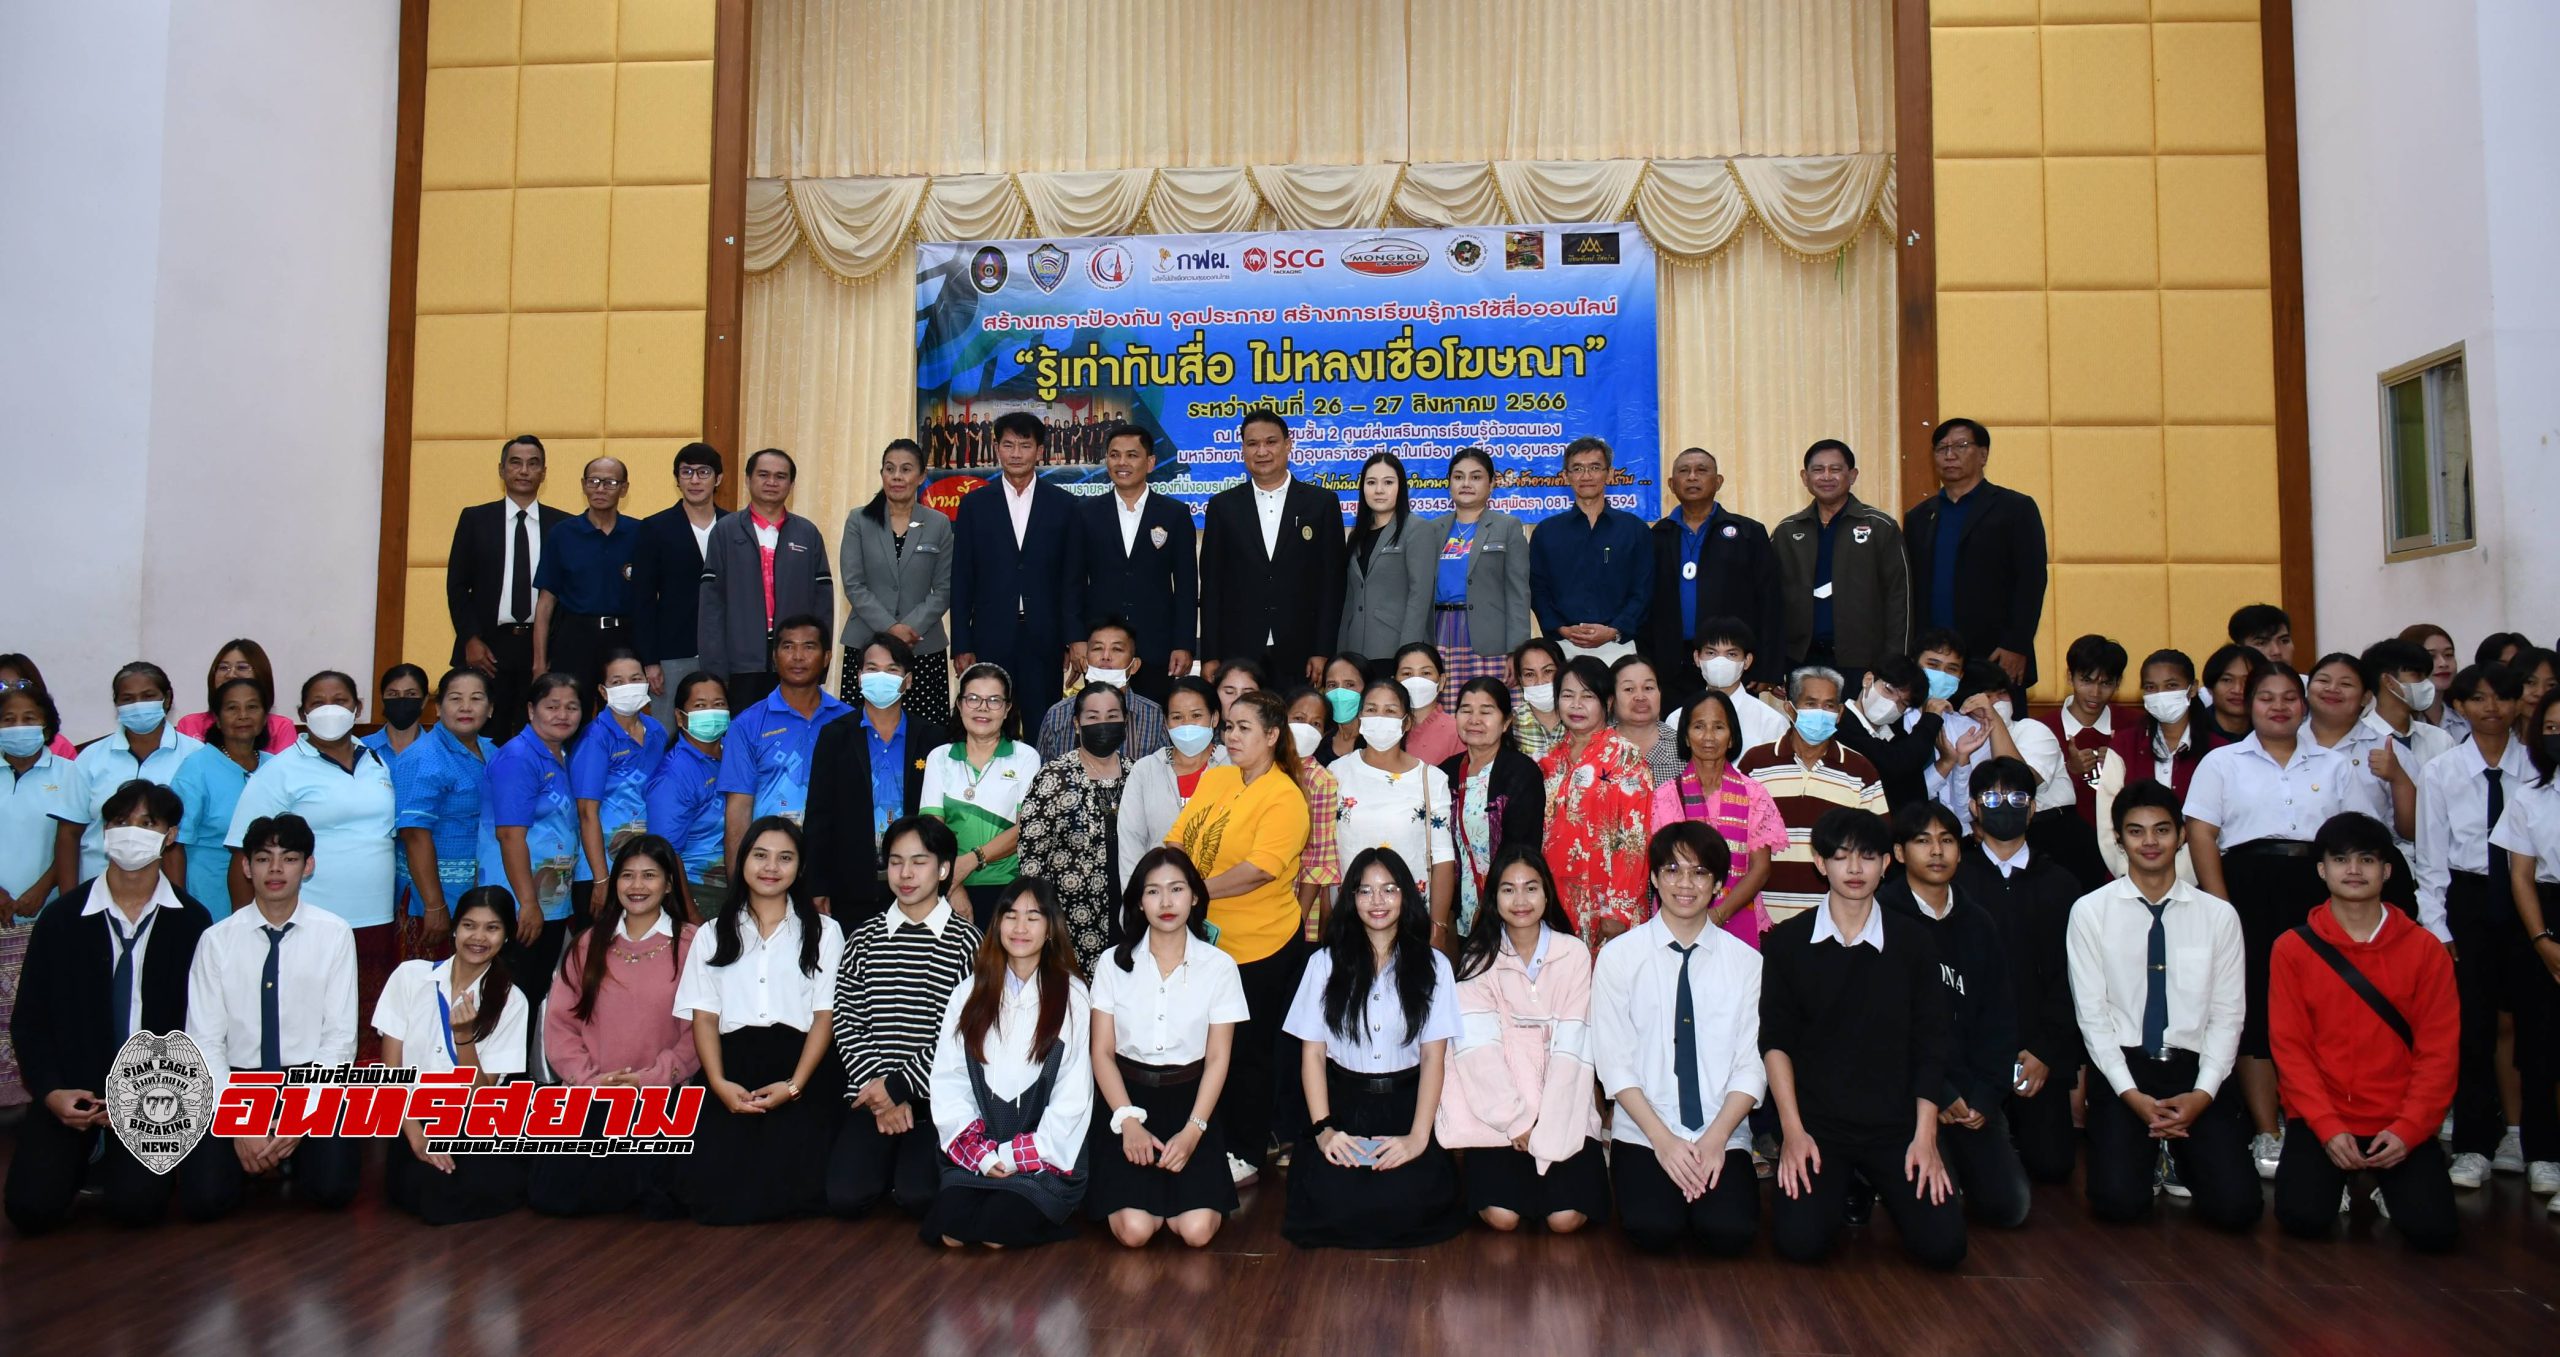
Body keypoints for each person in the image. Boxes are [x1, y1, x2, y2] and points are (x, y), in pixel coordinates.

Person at [4, 780, 215, 1233]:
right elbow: (30, 1021)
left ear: (170, 835)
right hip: (72, 1088)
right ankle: (81, 1158)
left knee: (136, 1208)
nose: (131, 833)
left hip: (153, 1091)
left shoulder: (193, 921)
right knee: (30, 1210)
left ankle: (117, 1161)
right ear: (104, 832)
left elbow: (203, 1025)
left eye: (146, 824)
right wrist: (51, 1091)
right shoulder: (62, 918)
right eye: (120, 823)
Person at [1760, 807, 1966, 1269]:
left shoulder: (1913, 942)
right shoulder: (1788, 943)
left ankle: (1870, 1180)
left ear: (1886, 863)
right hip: (1819, 1127)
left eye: (1868, 857)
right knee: (1800, 1245)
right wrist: (1792, 1134)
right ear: (1819, 861)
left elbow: (1932, 1043)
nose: (1855, 869)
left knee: (1944, 1248)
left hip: (1896, 1126)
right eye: (1841, 856)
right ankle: (1846, 1184)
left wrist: (1926, 1138)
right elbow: (1775, 1043)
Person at [2185, 659, 2355, 1178]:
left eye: (2288, 697)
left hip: (2317, 892)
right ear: (2246, 704)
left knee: (2319, 1011)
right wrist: (2222, 907)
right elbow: (2200, 834)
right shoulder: (2221, 763)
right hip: (2247, 893)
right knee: (2253, 1010)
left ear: (2303, 705)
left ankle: (2321, 1122)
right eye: (2266, 697)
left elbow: (2354, 839)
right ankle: (2267, 1130)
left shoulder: (2333, 765)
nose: (2278, 707)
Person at [2070, 780, 2260, 1229]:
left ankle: (2177, 1153)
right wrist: (2129, 1094)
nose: (2150, 842)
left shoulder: (2218, 916)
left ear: (2180, 835)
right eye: (2136, 832)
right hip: (2126, 1070)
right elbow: (2092, 1016)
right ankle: (2150, 1151)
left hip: (2194, 1071)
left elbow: (2229, 1014)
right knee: (2117, 1204)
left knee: (2238, 1211)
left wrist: (2203, 1093)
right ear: (2119, 838)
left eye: (2161, 830)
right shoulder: (2090, 912)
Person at [2266, 812, 2459, 1250]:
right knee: (2301, 1218)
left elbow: (2439, 1053)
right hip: (2325, 1119)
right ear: (2322, 870)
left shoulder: (2425, 949)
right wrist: (2328, 1127)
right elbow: (2290, 1050)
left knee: (2434, 1231)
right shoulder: (2292, 948)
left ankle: (2383, 1184)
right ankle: (2338, 1179)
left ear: (2387, 871)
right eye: (2340, 859)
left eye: (2367, 860)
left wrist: (2410, 1129)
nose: (2354, 870)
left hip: (2398, 1121)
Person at [182, 813, 364, 1218]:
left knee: (333, 1189)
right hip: (238, 1080)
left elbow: (339, 1039)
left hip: (308, 1078)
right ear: (246, 867)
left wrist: (300, 1115)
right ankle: (262, 1155)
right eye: (263, 859)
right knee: (203, 1200)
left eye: (290, 858)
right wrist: (237, 1121)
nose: (276, 869)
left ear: (308, 866)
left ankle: (287, 1157)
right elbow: (205, 1041)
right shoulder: (216, 941)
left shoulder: (334, 934)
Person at [1282, 849, 1466, 1248]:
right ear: (1350, 898)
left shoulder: (1434, 966)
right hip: (1343, 1104)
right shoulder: (1323, 964)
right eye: (1365, 891)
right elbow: (1311, 1056)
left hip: (1406, 1106)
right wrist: (1324, 1131)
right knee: (1333, 1207)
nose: (1378, 901)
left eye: (1389, 890)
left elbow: (1435, 1057)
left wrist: (1418, 1138)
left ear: (1407, 896)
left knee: (1409, 1207)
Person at [1590, 823, 1761, 1253]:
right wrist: (1664, 1144)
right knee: (1653, 1229)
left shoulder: (1747, 964)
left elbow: (1750, 1064)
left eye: (1700, 873)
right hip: (1646, 1130)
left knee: (1729, 1233)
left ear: (1719, 884)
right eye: (1672, 870)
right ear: (1653, 878)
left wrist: (1715, 1139)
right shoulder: (1619, 957)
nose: (1685, 884)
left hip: (1720, 1130)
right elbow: (1612, 1061)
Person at [1168, 688, 1313, 1185]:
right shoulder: (1219, 777)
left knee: (1250, 1053)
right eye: (1228, 727)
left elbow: (1261, 871)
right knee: (1208, 1049)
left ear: (1273, 736)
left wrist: (1193, 893)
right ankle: (1211, 1138)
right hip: (1208, 942)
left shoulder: (1285, 794)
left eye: (1243, 728)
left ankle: (1249, 1152)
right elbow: (1178, 837)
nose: (1231, 736)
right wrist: (1171, 878)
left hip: (1263, 945)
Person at [674, 816, 844, 1224]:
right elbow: (704, 1017)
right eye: (760, 856)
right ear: (742, 861)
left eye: (785, 858)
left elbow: (825, 1016)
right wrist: (717, 1084)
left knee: (799, 1186)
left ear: (800, 867)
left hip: (802, 1066)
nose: (771, 867)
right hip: (731, 1069)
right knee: (705, 1190)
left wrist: (794, 1086)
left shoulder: (825, 931)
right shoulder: (712, 933)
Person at [2415, 664, 2542, 1189]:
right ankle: (2472, 1144)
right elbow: (2430, 856)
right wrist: (2438, 927)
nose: (2492, 707)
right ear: (2461, 706)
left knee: (2532, 1026)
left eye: (2503, 697)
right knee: (2472, 1027)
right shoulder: (2442, 771)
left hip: (2530, 900)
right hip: (2467, 900)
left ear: (2518, 705)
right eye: (2479, 698)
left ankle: (2531, 1140)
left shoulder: (2538, 770)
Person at [223, 671, 399, 1043]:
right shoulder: (280, 771)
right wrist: (247, 930)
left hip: (377, 920)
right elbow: (244, 853)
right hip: (309, 922)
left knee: (369, 1022)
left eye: (340, 700)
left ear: (358, 708)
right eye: (318, 703)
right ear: (302, 712)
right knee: (309, 1024)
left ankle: (361, 1100)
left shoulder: (378, 762)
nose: (330, 709)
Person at [1440, 845, 1608, 1233]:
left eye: (1531, 888)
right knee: (1503, 1218)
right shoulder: (1477, 957)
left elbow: (1574, 1048)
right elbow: (1477, 1052)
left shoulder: (1574, 954)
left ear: (1547, 893)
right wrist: (1516, 1122)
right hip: (1500, 1118)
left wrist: (1549, 1125)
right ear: (1493, 897)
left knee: (1564, 1221)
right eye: (1508, 889)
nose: (1520, 900)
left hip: (1562, 1111)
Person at [532, 836, 702, 1217]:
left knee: (660, 1197)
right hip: (593, 1091)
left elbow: (699, 1032)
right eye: (627, 876)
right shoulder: (587, 944)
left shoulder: (693, 945)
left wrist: (650, 1079)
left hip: (661, 1093)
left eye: (649, 876)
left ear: (670, 884)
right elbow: (560, 1026)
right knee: (553, 1196)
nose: (637, 886)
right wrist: (589, 1081)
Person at [1087, 846, 1249, 1246]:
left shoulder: (1220, 966)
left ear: (1194, 896)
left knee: (1195, 1233)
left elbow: (1218, 1059)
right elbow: (1102, 1053)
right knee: (1135, 1232)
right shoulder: (1112, 963)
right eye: (1153, 891)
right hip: (1125, 1100)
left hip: (1191, 1102)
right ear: (1139, 902)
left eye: (1176, 889)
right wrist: (1127, 1122)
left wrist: (1194, 1131)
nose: (1165, 902)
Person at [1879, 801, 2030, 1229]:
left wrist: (1987, 1094)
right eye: (1923, 841)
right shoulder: (1882, 919)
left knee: (2010, 1208)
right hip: (1905, 1093)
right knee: (1933, 1212)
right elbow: (1884, 1029)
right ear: (1900, 853)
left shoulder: (1979, 922)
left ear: (1961, 851)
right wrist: (1937, 1092)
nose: (1937, 851)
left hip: (1972, 1090)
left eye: (1947, 840)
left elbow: (1999, 1018)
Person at [922, 876, 1093, 1249]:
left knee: (996, 1232)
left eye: (1033, 916)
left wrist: (1014, 1155)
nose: (1020, 927)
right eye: (1010, 915)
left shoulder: (1072, 995)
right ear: (997, 922)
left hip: (1044, 1157)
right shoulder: (970, 992)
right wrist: (981, 1153)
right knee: (951, 1234)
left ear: (1051, 928)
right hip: (980, 1149)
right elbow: (949, 1079)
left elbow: (1073, 1096)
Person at [828, 816, 983, 1221]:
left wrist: (900, 1085)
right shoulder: (863, 937)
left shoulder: (968, 941)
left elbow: (964, 1032)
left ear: (944, 868)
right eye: (896, 862)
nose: (906, 874)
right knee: (845, 1197)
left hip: (936, 1097)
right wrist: (881, 1093)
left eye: (919, 861)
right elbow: (847, 1020)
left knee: (919, 1196)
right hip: (872, 1094)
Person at [1955, 756, 2086, 1186]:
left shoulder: (2063, 884)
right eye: (1991, 797)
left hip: (2038, 1053)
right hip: (1971, 1056)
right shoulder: (1954, 882)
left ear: (2032, 808)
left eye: (2016, 797)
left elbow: (2075, 978)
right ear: (1973, 807)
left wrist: (2046, 1051)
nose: (2004, 806)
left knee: (2051, 1166)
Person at [376, 885, 530, 1224]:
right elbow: (390, 1073)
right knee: (424, 1191)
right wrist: (416, 1136)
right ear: (455, 929)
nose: (478, 937)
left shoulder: (512, 1000)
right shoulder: (410, 977)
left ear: (506, 936)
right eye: (469, 925)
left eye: (492, 928)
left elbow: (481, 1096)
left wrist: (464, 1038)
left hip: (469, 1119)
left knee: (441, 1196)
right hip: (411, 1116)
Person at [951, 412, 1087, 720]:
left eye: (1024, 446)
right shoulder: (975, 506)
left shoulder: (1064, 505)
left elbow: (1073, 579)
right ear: (996, 447)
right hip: (990, 635)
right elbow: (962, 579)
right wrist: (962, 643)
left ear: (1039, 451)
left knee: (1044, 721)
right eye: (1008, 445)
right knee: (990, 720)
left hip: (1045, 636)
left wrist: (1071, 637)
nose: (1016, 454)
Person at [1199, 410, 1347, 686]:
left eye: (1271, 442)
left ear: (1288, 444)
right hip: (1239, 651)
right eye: (1252, 444)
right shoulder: (1223, 506)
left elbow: (1332, 584)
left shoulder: (1321, 503)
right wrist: (1210, 655)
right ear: (1242, 449)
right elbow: (1211, 586)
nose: (1262, 451)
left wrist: (1323, 649)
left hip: (1302, 653)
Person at [1902, 418, 2047, 697]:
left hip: (1995, 653)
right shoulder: (1919, 517)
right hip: (1934, 660)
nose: (1949, 455)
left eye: (1961, 446)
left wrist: (2017, 644)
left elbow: (2031, 580)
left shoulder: (2015, 508)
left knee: (1999, 734)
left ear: (1983, 455)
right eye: (1941, 448)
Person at [1737, 667, 1887, 932]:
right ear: (1790, 709)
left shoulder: (1861, 771)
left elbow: (1877, 846)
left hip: (1834, 925)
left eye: (1829, 705)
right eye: (1810, 703)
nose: (1820, 712)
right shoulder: (1755, 764)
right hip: (1761, 922)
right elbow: (1736, 840)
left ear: (1840, 714)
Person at [2487, 687, 2560, 1217]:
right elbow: (2521, 876)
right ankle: (2543, 1154)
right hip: (2545, 924)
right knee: (2540, 1044)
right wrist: (2543, 941)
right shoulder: (2531, 797)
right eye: (2551, 728)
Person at [444, 435, 568, 741]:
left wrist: (556, 649)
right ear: (501, 470)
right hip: (488, 647)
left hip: (542, 648)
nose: (524, 470)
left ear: (544, 472)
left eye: (533, 463)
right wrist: (470, 638)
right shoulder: (475, 519)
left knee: (539, 736)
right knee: (485, 736)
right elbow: (458, 586)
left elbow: (568, 593)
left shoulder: (564, 525)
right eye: (516, 462)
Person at [474, 671, 584, 998]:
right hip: (518, 902)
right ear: (531, 710)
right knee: (511, 998)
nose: (562, 715)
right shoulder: (518, 757)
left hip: (551, 901)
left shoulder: (561, 754)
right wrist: (527, 902)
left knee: (534, 995)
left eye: (572, 707)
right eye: (552, 706)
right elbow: (510, 835)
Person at [1646, 447, 1784, 708]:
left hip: (1731, 663)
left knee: (1732, 738)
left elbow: (1770, 603)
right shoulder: (1656, 537)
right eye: (1684, 471)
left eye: (1702, 470)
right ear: (1671, 484)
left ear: (1718, 481)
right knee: (1678, 737)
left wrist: (1768, 667)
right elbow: (1646, 606)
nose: (1692, 477)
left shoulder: (1748, 533)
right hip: (1671, 666)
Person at [1648, 689, 1786, 948]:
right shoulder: (1665, 796)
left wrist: (1717, 915)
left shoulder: (1754, 794)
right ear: (1686, 737)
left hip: (1737, 918)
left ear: (1732, 737)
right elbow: (1659, 867)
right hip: (1675, 919)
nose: (1708, 737)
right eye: (1699, 726)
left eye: (1719, 727)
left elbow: (1761, 869)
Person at [699, 448, 835, 712]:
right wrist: (715, 668)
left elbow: (823, 605)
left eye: (780, 476)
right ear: (748, 480)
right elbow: (711, 606)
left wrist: (818, 662)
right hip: (740, 666)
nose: (772, 482)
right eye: (763, 475)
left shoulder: (807, 533)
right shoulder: (725, 531)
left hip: (795, 663)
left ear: (791, 485)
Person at [800, 638, 925, 923]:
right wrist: (816, 883)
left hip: (916, 887)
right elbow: (819, 814)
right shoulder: (835, 735)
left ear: (907, 681)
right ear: (858, 677)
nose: (881, 677)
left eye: (892, 670)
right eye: (872, 668)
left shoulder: (931, 738)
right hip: (849, 886)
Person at [1072, 423, 1195, 706]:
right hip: (1102, 649)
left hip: (1157, 645)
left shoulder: (1175, 514)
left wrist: (1183, 643)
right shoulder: (1085, 513)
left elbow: (1186, 586)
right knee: (1102, 720)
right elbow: (1073, 581)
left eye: (1132, 455)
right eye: (1114, 455)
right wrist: (1077, 639)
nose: (1122, 463)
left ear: (1150, 462)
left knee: (1154, 721)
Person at [836, 439, 954, 729]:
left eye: (906, 469)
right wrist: (890, 630)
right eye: (890, 469)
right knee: (861, 734)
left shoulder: (938, 523)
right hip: (866, 644)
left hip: (922, 646)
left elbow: (944, 588)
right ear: (882, 474)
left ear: (922, 476)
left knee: (924, 737)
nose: (897, 476)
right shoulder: (859, 520)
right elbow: (853, 583)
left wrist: (907, 630)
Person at [1539, 656, 1654, 947]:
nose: (1576, 705)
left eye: (1587, 696)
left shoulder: (1626, 756)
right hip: (1553, 900)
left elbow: (1636, 838)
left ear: (1608, 702)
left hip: (1608, 905)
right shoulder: (1548, 759)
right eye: (1567, 695)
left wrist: (1619, 909)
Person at [1332, 677, 1459, 942]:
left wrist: (1437, 928)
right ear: (1360, 717)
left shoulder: (1431, 778)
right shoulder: (1336, 773)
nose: (1380, 718)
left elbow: (1443, 858)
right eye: (1371, 709)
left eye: (1390, 711)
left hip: (1411, 919)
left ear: (1407, 722)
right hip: (1349, 916)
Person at [716, 614, 852, 861]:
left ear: (827, 658)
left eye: (809, 647)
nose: (798, 657)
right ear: (774, 657)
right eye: (788, 647)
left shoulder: (849, 721)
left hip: (837, 861)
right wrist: (738, 888)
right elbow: (738, 811)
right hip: (770, 864)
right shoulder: (746, 725)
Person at [1774, 438, 1909, 685]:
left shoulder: (1880, 526)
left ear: (1853, 475)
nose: (1826, 476)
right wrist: (1774, 664)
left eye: (1835, 469)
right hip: (1802, 659)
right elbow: (1772, 601)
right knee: (1807, 725)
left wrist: (1895, 662)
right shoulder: (1787, 531)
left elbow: (1900, 599)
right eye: (1818, 469)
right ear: (1805, 477)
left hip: (1865, 663)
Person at [1017, 683, 1133, 970]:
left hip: (1133, 913)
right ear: (1077, 724)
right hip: (1069, 919)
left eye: (1112, 716)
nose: (1103, 724)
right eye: (1092, 717)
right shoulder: (1053, 776)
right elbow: (1032, 858)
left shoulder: (1140, 773)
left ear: (1125, 721)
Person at [1407, 447, 1529, 715]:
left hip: (1488, 639)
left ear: (1492, 483)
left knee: (1487, 711)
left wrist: (1517, 652)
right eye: (1458, 476)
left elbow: (1518, 594)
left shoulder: (1507, 527)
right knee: (1443, 714)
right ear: (1449, 483)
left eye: (1476, 477)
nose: (1466, 483)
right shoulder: (1432, 529)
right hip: (1439, 633)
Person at [923, 662, 1043, 925]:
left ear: (1008, 708)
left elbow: (1027, 828)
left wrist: (971, 860)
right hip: (949, 887)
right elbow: (932, 830)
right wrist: (954, 885)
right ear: (959, 704)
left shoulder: (1025, 757)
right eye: (973, 698)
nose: (983, 708)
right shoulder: (939, 757)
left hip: (1010, 889)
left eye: (994, 700)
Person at [391, 668, 497, 962]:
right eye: (455, 699)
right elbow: (414, 834)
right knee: (427, 992)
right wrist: (434, 905)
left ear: (490, 709)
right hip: (434, 900)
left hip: (479, 894)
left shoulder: (492, 751)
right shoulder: (424, 756)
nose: (465, 707)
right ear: (437, 708)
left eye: (476, 699)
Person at [63, 661, 200, 888]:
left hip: (167, 890)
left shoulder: (195, 756)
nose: (138, 706)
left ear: (166, 699)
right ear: (116, 704)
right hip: (96, 886)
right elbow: (69, 833)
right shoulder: (91, 758)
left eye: (148, 696)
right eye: (128, 699)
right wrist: (68, 901)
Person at [0, 683, 72, 1101]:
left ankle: (36, 1104)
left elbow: (74, 840)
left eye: (28, 719)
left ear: (47, 726)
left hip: (42, 918)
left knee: (36, 1015)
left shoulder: (68, 774)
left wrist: (42, 889)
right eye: (8, 720)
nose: (19, 727)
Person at [1528, 436, 1651, 664]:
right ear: (1566, 476)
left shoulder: (1635, 530)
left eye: (1595, 467)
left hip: (1619, 645)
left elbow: (1643, 590)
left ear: (1610, 474)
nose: (1586, 476)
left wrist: (1615, 630)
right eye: (1577, 469)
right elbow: (1538, 589)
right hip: (1563, 647)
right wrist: (1561, 629)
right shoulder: (1546, 532)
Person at [629, 441, 725, 729]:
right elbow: (642, 598)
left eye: (703, 472)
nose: (695, 480)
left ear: (718, 479)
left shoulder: (735, 525)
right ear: (677, 479)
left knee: (719, 728)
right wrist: (649, 661)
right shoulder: (655, 527)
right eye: (687, 472)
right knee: (666, 730)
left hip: (724, 650)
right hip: (672, 651)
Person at [1441, 679, 1545, 938]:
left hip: (1507, 907)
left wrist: (1490, 906)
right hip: (1456, 909)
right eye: (1466, 710)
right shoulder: (1445, 772)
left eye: (1486, 711)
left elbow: (1522, 848)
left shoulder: (1521, 773)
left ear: (1506, 722)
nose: (1474, 719)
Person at [571, 652, 669, 917]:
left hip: (645, 864)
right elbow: (586, 812)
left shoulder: (657, 731)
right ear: (603, 691)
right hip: (600, 868)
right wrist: (601, 880)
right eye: (617, 682)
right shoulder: (596, 737)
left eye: (635, 679)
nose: (628, 686)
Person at [2030, 634, 2131, 892]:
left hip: (2125, 851)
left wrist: (2124, 766)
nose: (2095, 693)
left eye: (2106, 683)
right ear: (2069, 677)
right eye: (2086, 680)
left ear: (2118, 683)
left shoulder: (2133, 725)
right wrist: (2071, 771)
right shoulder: (2041, 729)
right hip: (2062, 855)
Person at [167, 677, 273, 918]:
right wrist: (179, 906)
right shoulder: (197, 767)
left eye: (253, 707)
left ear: (266, 716)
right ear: (216, 717)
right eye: (232, 708)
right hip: (207, 889)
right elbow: (175, 843)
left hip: (269, 887)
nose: (243, 715)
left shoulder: (276, 766)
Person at [530, 455, 637, 691]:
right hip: (575, 639)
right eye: (593, 481)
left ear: (624, 488)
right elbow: (545, 603)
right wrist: (539, 664)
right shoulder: (562, 534)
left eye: (610, 483)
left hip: (625, 640)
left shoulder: (640, 533)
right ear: (583, 485)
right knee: (571, 714)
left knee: (622, 713)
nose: (600, 489)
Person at [1116, 677, 1226, 893]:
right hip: (1160, 901)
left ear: (1214, 718)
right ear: (1166, 723)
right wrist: (1137, 903)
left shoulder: (1234, 766)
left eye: (1196, 716)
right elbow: (1131, 845)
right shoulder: (1145, 770)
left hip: (1225, 900)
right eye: (1177, 717)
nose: (1186, 725)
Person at [646, 671, 734, 917]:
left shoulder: (734, 756)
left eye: (718, 704)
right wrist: (689, 911)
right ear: (680, 717)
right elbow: (666, 851)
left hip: (736, 887)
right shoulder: (673, 774)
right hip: (700, 890)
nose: (711, 712)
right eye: (699, 706)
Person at [2304, 652, 2414, 840]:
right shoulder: (2282, 743)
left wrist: (2399, 778)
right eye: (2323, 681)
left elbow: (2413, 832)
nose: (2332, 689)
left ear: (2366, 697)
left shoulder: (2388, 750)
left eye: (2345, 684)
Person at [1035, 618, 1168, 762]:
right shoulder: (1057, 715)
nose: (1105, 657)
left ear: (1134, 665)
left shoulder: (1154, 717)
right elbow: (1043, 776)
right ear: (1085, 661)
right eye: (1097, 648)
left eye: (1117, 649)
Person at [1338, 451, 1430, 661]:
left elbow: (1420, 596)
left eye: (1388, 482)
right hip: (1355, 652)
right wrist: (1341, 654)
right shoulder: (1356, 535)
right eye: (1371, 482)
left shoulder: (1417, 529)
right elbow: (1350, 599)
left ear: (1401, 487)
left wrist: (1409, 654)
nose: (1379, 490)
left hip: (1395, 649)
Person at [1836, 652, 1947, 808]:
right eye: (1889, 690)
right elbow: (1896, 763)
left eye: (1903, 703)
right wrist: (1930, 719)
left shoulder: (1897, 735)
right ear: (1868, 680)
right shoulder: (1840, 724)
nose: (1892, 703)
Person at [1684, 616, 1791, 756]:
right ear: (1697, 658)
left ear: (1747, 661)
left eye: (1731, 654)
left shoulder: (1772, 722)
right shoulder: (1678, 718)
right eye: (1711, 653)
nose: (1720, 661)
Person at [172, 638, 298, 752]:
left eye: (242, 667)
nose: (231, 674)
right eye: (223, 667)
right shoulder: (189, 724)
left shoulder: (281, 727)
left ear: (261, 674)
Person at [1610, 654, 1684, 787]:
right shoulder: (1596, 747)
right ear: (1611, 699)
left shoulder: (1683, 749)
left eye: (1648, 688)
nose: (1640, 697)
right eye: (1629, 689)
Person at [1390, 642, 1462, 767]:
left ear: (1441, 681)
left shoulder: (1458, 731)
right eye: (1407, 674)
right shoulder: (1381, 726)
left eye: (1426, 673)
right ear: (1394, 682)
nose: (1416, 681)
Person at [2400, 622, 2466, 739]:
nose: (2443, 663)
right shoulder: (2399, 722)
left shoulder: (2466, 719)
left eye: (2448, 654)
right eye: (2431, 657)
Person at [358, 663, 433, 766]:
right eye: (393, 694)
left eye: (411, 694)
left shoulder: (438, 750)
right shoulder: (361, 747)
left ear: (424, 701)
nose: (401, 699)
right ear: (382, 700)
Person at [1510, 638, 1568, 761]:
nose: (1540, 682)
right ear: (1520, 679)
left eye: (1548, 671)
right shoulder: (1510, 724)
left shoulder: (1581, 718)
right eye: (1530, 674)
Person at [2197, 643, 2259, 748]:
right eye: (2227, 680)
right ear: (2210, 687)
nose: (2238, 689)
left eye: (2248, 681)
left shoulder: (2271, 732)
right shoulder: (2193, 731)